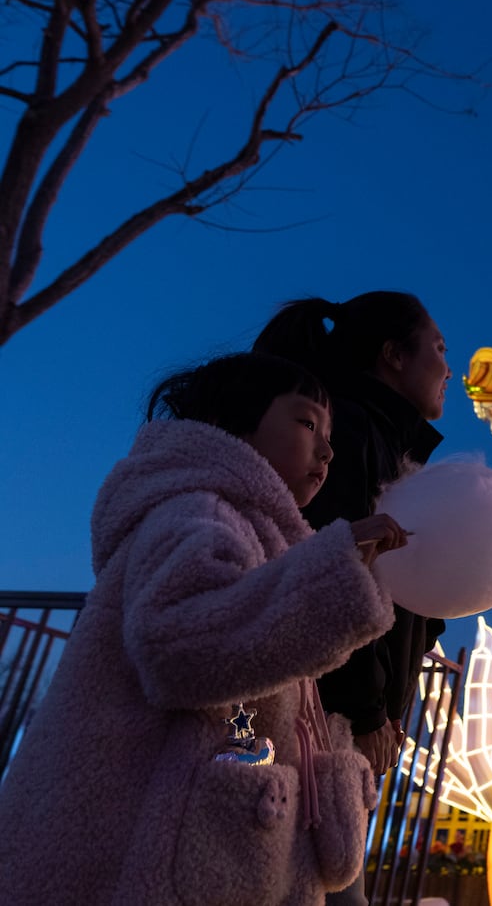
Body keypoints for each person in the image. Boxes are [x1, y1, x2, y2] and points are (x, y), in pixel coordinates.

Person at [0, 353, 409, 905]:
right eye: (307, 423)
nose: (328, 450)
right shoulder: (197, 512)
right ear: (237, 424)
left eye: (328, 433)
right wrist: (329, 572)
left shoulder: (261, 536)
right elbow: (182, 647)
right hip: (141, 857)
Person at [253, 291, 451, 905]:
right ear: (393, 355)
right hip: (323, 722)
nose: (450, 367)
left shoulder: (388, 443)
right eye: (438, 350)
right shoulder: (357, 436)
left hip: (348, 721)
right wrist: (367, 712)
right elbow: (338, 580)